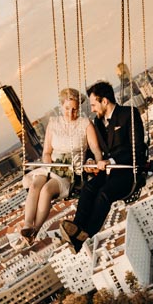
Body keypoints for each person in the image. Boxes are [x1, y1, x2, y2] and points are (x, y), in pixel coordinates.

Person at [58, 80, 145, 252]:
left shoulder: (129, 114)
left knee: (104, 194)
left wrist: (111, 162)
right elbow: (94, 148)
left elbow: (136, 148)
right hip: (108, 173)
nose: (92, 109)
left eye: (93, 104)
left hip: (129, 172)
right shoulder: (98, 123)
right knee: (89, 188)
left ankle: (85, 233)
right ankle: (76, 231)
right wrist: (90, 161)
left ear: (104, 101)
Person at [20, 88, 99, 242]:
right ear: (62, 106)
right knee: (36, 185)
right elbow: (47, 152)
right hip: (51, 165)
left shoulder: (85, 124)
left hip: (70, 171)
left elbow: (95, 149)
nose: (71, 113)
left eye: (75, 109)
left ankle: (35, 230)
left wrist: (95, 161)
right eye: (67, 108)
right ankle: (27, 224)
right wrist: (49, 165)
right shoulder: (53, 123)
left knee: (47, 190)